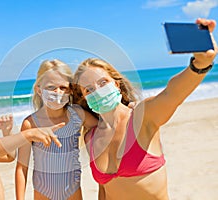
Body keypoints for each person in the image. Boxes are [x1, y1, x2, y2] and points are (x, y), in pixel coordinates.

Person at [72, 18, 217, 200]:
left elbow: (172, 94)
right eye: (89, 89)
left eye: (103, 83)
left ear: (116, 85)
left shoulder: (142, 117)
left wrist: (200, 65)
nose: (98, 91)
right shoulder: (90, 137)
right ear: (84, 97)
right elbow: (104, 190)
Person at [15, 59, 98, 200]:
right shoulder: (31, 124)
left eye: (63, 88)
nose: (57, 92)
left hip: (72, 191)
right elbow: (21, 168)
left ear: (70, 90)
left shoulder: (77, 114)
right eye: (51, 87)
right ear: (38, 90)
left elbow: (104, 128)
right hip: (43, 193)